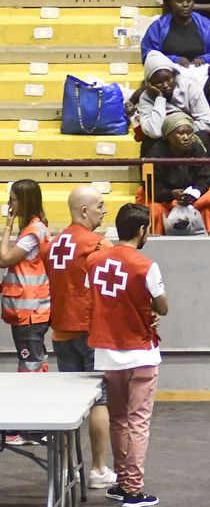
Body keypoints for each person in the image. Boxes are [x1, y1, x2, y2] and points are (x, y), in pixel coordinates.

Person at [84, 204, 167, 507]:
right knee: (138, 422)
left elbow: (93, 295)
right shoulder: (146, 265)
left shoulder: (95, 261)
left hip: (106, 353)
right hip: (140, 353)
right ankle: (134, 489)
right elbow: (163, 306)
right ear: (142, 230)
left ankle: (121, 482)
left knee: (118, 419)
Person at [41, 187, 114, 482]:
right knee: (99, 401)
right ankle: (98, 469)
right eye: (100, 205)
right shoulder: (97, 245)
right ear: (84, 211)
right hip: (90, 332)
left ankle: (69, 467)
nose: (104, 210)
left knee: (69, 404)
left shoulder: (52, 245)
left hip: (60, 332)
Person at [1, 179, 51, 372]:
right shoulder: (32, 229)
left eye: (12, 199)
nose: (9, 204)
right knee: (34, 361)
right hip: (28, 312)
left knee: (30, 365)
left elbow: (4, 259)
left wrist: (7, 226)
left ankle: (34, 400)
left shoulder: (32, 232)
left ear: (24, 201)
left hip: (30, 312)